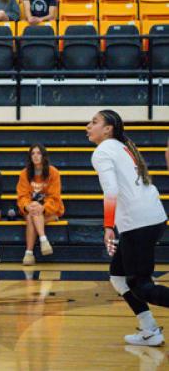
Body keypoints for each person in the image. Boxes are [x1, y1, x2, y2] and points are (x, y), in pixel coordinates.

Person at [87, 110, 169, 346]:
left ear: (108, 129)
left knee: (141, 286)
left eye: (94, 122)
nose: (88, 126)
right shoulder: (121, 146)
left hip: (138, 222)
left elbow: (111, 191)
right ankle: (149, 329)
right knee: (118, 277)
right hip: (151, 218)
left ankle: (150, 329)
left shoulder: (103, 150)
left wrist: (108, 226)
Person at [17, 144, 64, 266]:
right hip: (31, 208)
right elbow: (22, 196)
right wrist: (27, 206)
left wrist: (43, 207)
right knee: (32, 213)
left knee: (32, 216)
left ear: (44, 156)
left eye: (39, 153)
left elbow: (54, 196)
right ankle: (44, 240)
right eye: (33, 153)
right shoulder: (25, 173)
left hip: (49, 207)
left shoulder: (53, 172)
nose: (36, 156)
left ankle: (28, 253)